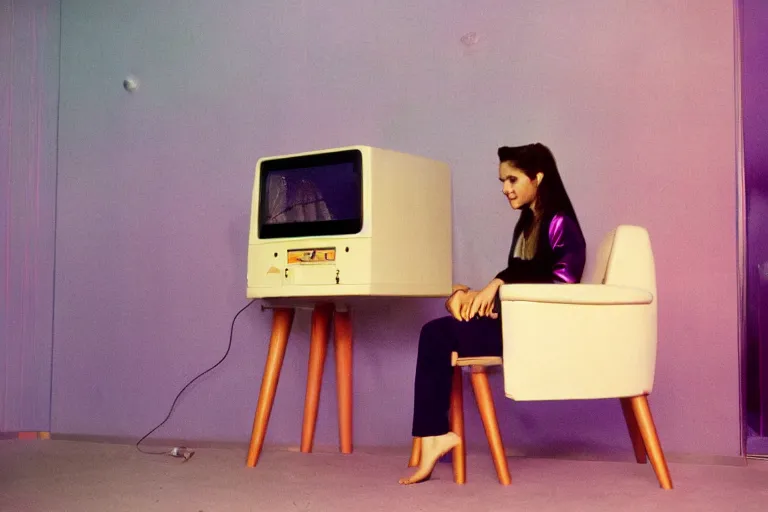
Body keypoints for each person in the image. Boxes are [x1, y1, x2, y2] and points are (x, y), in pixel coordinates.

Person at [399, 143, 587, 485]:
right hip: (514, 321)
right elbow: (519, 273)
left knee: (436, 334)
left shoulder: (559, 222)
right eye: (502, 181)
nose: (505, 189)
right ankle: (433, 436)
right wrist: (472, 295)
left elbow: (563, 283)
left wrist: (498, 283)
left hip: (536, 329)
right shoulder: (527, 222)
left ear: (538, 177)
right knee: (442, 325)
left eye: (513, 179)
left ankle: (433, 435)